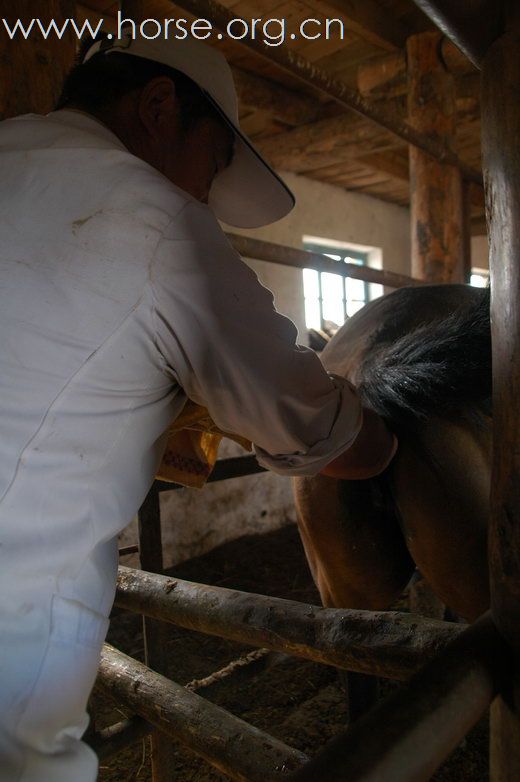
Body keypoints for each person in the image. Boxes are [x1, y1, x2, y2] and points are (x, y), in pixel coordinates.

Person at [0, 29, 396, 781]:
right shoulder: (156, 220)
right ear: (158, 106)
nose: (204, 193)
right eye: (213, 163)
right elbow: (331, 437)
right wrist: (383, 435)